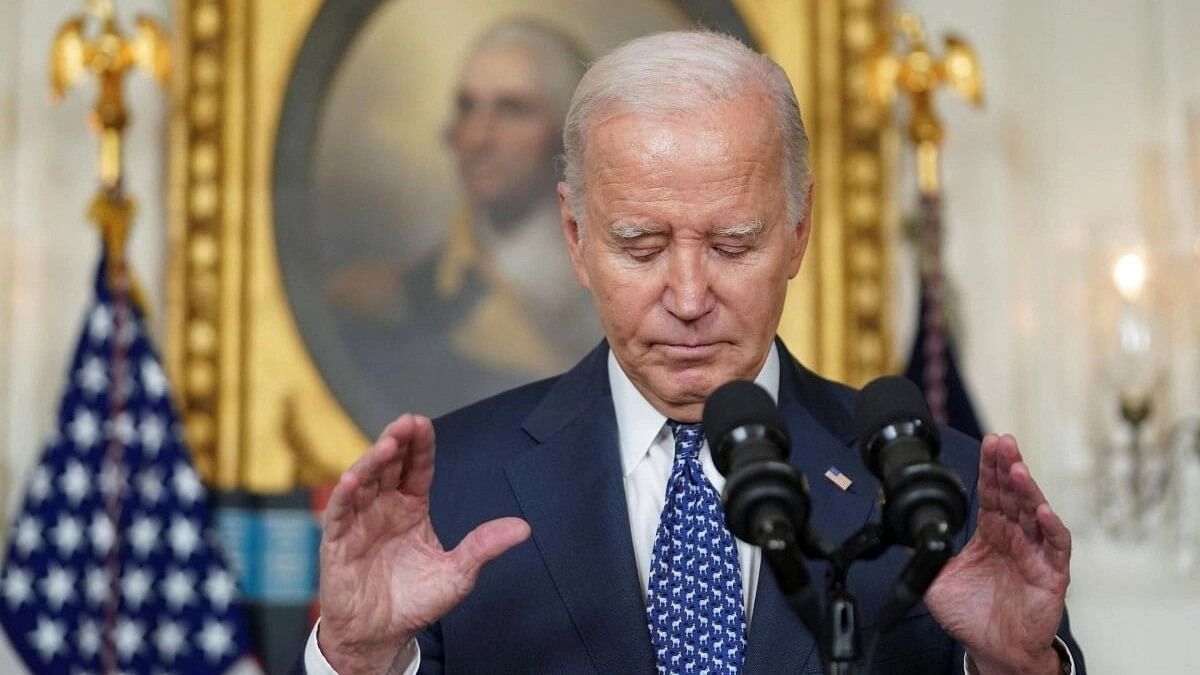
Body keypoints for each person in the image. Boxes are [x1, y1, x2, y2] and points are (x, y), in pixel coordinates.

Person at [302, 31, 1084, 674]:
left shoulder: (935, 485)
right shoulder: (452, 489)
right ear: (576, 236)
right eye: (640, 246)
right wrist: (356, 657)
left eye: (732, 243)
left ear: (798, 231)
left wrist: (1021, 667)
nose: (686, 296)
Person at [325, 19, 602, 428]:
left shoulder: (622, 284)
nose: (477, 137)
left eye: (512, 109)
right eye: (467, 107)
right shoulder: (389, 298)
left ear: (569, 133)